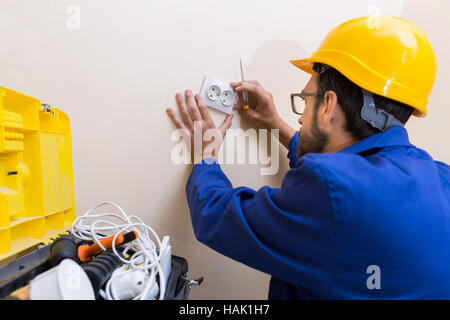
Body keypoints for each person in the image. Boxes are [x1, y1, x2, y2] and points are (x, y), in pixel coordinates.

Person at [166, 16, 450, 299]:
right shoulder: (442, 179)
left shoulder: (329, 187)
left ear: (328, 106)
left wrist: (206, 155)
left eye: (305, 100)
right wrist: (275, 123)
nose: (301, 117)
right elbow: (352, 175)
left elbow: (215, 217)